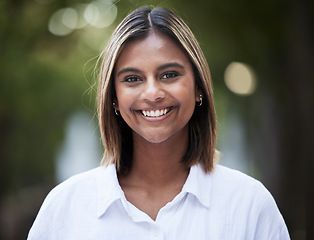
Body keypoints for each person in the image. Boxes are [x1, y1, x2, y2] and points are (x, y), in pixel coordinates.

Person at [28, 6, 290, 239]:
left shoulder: (249, 204)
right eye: (132, 79)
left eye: (169, 74)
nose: (152, 93)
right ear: (114, 98)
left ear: (198, 87)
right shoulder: (64, 209)